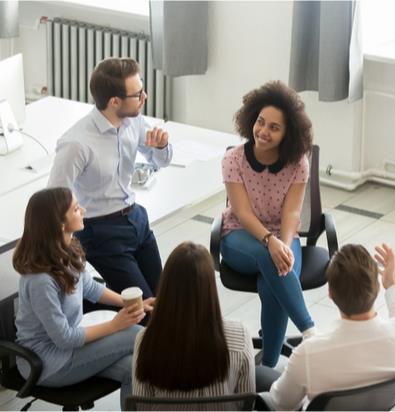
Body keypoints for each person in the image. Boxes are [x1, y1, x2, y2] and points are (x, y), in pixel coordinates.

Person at [13, 187, 154, 410]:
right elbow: (65, 338)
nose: (84, 210)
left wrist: (129, 303)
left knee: (135, 370)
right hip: (48, 364)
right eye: (76, 209)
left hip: (70, 351)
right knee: (140, 337)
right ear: (60, 225)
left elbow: (89, 288)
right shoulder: (40, 280)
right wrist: (115, 325)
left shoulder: (67, 249)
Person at [48, 57, 172, 300]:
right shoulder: (77, 143)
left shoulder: (133, 121)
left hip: (136, 219)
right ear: (115, 102)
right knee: (144, 310)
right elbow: (54, 198)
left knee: (165, 300)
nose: (145, 97)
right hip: (101, 231)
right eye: (138, 94)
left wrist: (162, 146)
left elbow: (161, 161)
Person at [219, 81, 315, 368]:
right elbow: (242, 212)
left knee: (275, 276)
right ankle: (310, 331)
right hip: (239, 235)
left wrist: (284, 244)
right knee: (271, 259)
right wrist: (270, 243)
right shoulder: (233, 160)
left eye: (274, 127)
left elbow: (291, 214)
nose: (263, 131)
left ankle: (267, 367)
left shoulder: (298, 162)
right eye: (260, 122)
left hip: (282, 235)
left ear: (288, 133)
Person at [265, 244, 395, 410]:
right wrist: (392, 283)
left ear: (330, 294)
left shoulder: (309, 354)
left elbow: (281, 404)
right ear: (377, 288)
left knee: (261, 375)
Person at [133, 241, 255, 406]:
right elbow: (246, 403)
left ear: (167, 286)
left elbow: (143, 406)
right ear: (210, 287)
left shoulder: (145, 340)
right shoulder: (240, 336)